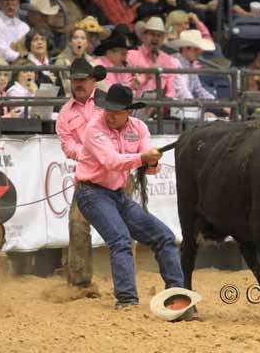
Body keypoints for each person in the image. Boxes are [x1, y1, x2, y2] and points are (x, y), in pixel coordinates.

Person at [74, 83, 184, 309]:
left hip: (117, 194)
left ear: (129, 111)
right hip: (91, 193)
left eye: (116, 111)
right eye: (108, 110)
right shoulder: (94, 129)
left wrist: (152, 162)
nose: (110, 115)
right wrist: (145, 158)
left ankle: (176, 294)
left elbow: (150, 166)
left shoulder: (140, 128)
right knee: (121, 240)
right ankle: (126, 299)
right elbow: (111, 162)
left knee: (164, 236)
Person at [55, 57, 107, 293]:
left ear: (92, 80)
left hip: (114, 170)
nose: (78, 83)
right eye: (75, 79)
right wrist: (90, 153)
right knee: (78, 224)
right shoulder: (65, 113)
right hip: (88, 174)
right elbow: (68, 146)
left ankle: (126, 280)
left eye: (83, 79)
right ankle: (80, 282)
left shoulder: (107, 101)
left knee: (124, 226)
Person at [126, 16, 176, 98]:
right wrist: (144, 77)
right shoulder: (130, 56)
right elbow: (125, 85)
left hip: (159, 107)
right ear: (143, 37)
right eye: (152, 34)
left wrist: (167, 101)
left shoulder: (167, 59)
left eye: (159, 36)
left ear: (163, 39)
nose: (155, 38)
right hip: (134, 104)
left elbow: (171, 89)